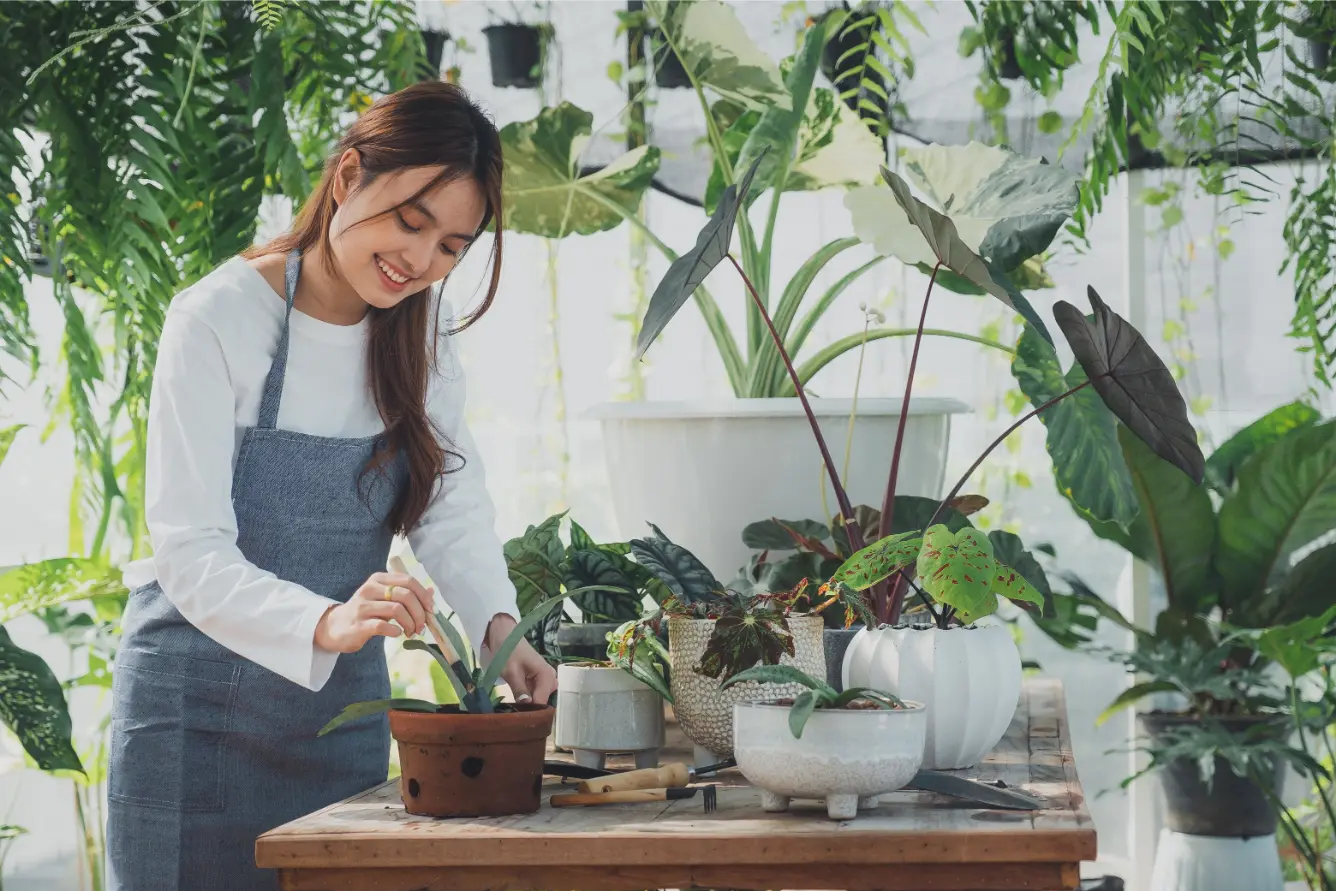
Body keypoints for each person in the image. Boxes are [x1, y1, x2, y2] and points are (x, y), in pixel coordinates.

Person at [107, 81, 555, 891]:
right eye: (410, 221)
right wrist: (328, 618)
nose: (420, 261)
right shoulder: (216, 318)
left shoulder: (424, 333)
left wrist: (498, 626)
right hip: (192, 719)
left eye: (451, 246)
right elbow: (188, 548)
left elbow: (449, 502)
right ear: (347, 176)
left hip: (335, 720)